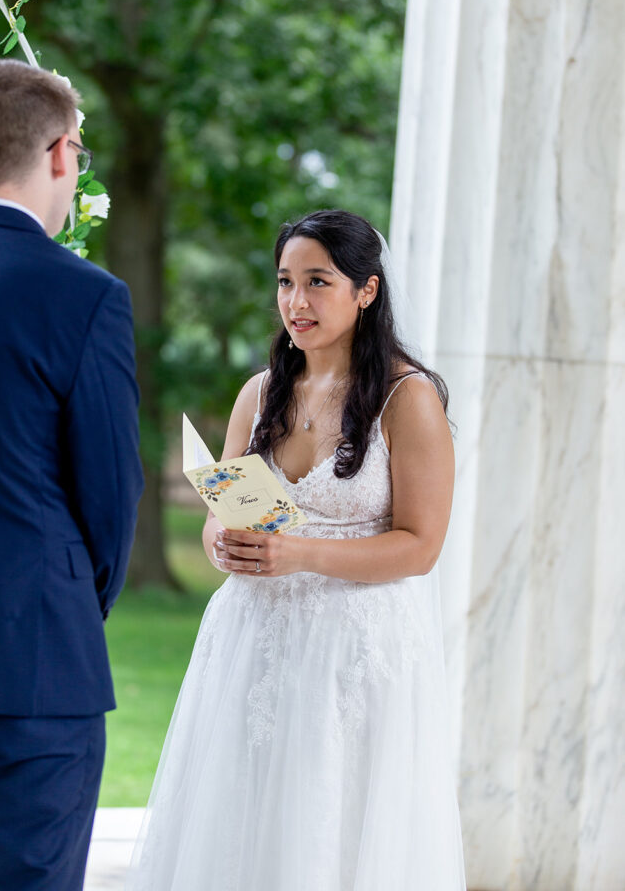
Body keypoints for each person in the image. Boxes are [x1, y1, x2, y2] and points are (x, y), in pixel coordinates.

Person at [127, 209, 466, 890]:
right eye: (285, 282)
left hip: (350, 655)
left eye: (318, 282)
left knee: (328, 825)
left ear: (365, 291)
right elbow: (221, 510)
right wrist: (221, 540)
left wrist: (300, 554)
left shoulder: (407, 398)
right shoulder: (260, 393)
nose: (296, 302)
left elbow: (420, 546)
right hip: (250, 643)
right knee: (235, 823)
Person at [0, 59, 144, 891]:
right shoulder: (83, 297)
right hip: (31, 658)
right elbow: (110, 497)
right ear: (62, 154)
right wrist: (64, 603)